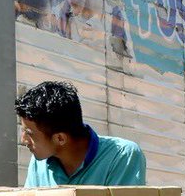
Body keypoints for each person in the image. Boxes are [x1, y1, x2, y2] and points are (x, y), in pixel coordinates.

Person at [16, 80, 146, 187]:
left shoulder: (122, 156)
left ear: (60, 138)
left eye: (29, 133)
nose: (23, 140)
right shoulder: (39, 161)